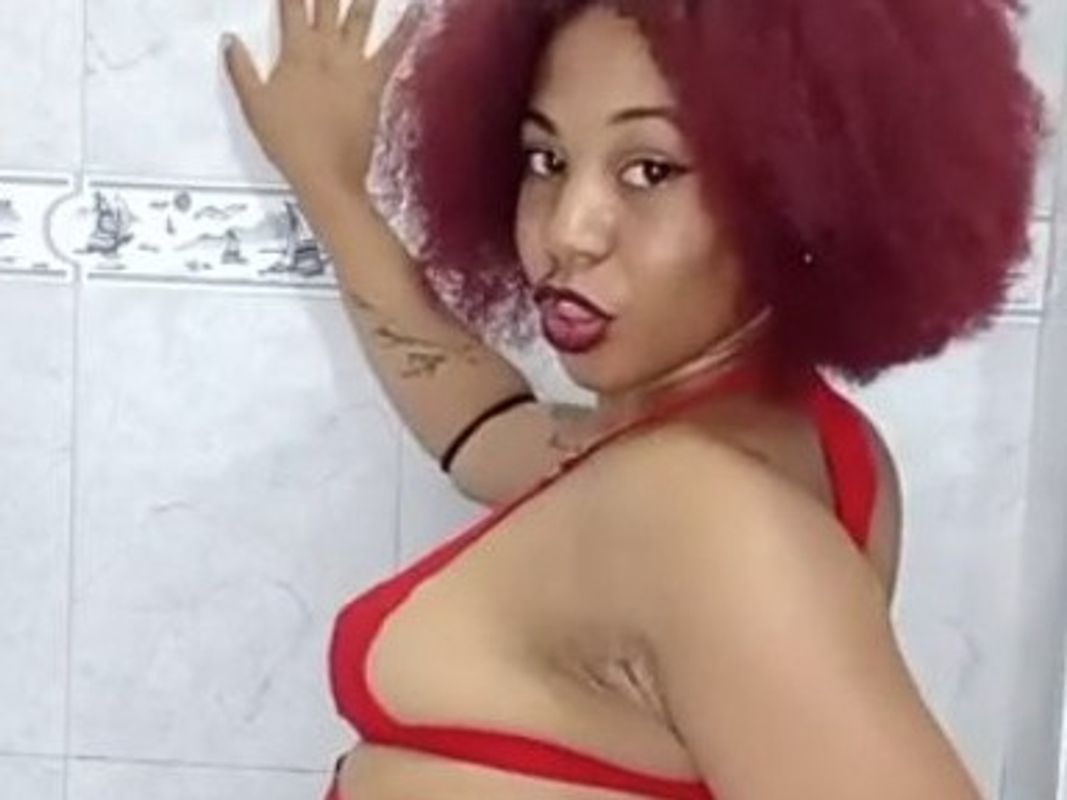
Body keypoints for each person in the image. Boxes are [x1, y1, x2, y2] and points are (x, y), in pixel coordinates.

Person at [222, 0, 1044, 796]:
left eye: (650, 170)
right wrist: (330, 186)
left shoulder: (704, 512)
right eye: (546, 160)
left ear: (798, 193)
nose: (567, 231)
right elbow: (489, 432)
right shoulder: (775, 444)